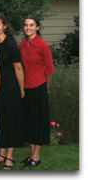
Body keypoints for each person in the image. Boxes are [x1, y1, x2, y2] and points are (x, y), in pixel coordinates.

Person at [0, 13, 24, 170]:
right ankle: (1, 153)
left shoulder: (9, 43)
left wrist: (21, 89)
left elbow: (18, 67)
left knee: (10, 120)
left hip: (10, 86)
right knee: (0, 120)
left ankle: (9, 156)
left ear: (4, 26)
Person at [19, 14, 54, 167]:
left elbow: (50, 70)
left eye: (32, 25)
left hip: (39, 88)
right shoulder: (21, 46)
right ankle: (31, 155)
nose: (28, 28)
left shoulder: (42, 45)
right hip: (26, 88)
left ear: (37, 27)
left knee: (38, 123)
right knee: (30, 122)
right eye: (26, 25)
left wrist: (46, 88)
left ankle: (36, 156)